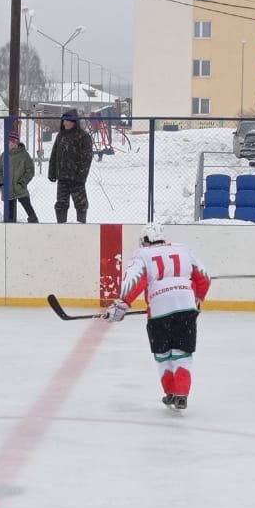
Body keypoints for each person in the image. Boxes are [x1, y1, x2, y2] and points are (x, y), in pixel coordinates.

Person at [105, 223, 211, 411]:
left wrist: (120, 306)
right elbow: (204, 277)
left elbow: (133, 281)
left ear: (145, 241)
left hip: (159, 309)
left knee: (163, 354)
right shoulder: (184, 250)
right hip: (186, 307)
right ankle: (181, 395)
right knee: (182, 354)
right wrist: (197, 299)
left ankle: (170, 392)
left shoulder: (142, 254)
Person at [47, 109, 94, 223]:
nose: (65, 123)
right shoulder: (60, 136)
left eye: (68, 121)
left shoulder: (83, 136)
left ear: (74, 122)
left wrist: (81, 177)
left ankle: (81, 227)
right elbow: (54, 155)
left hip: (76, 179)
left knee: (81, 205)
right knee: (61, 204)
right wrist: (52, 172)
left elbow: (86, 159)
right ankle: (61, 227)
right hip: (62, 178)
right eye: (64, 121)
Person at [0, 129, 39, 223]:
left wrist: (22, 182)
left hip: (20, 188)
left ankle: (35, 224)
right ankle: (10, 226)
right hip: (7, 189)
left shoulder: (24, 155)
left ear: (15, 142)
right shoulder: (4, 155)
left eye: (9, 142)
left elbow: (30, 171)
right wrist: (1, 184)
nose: (7, 144)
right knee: (9, 212)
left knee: (28, 208)